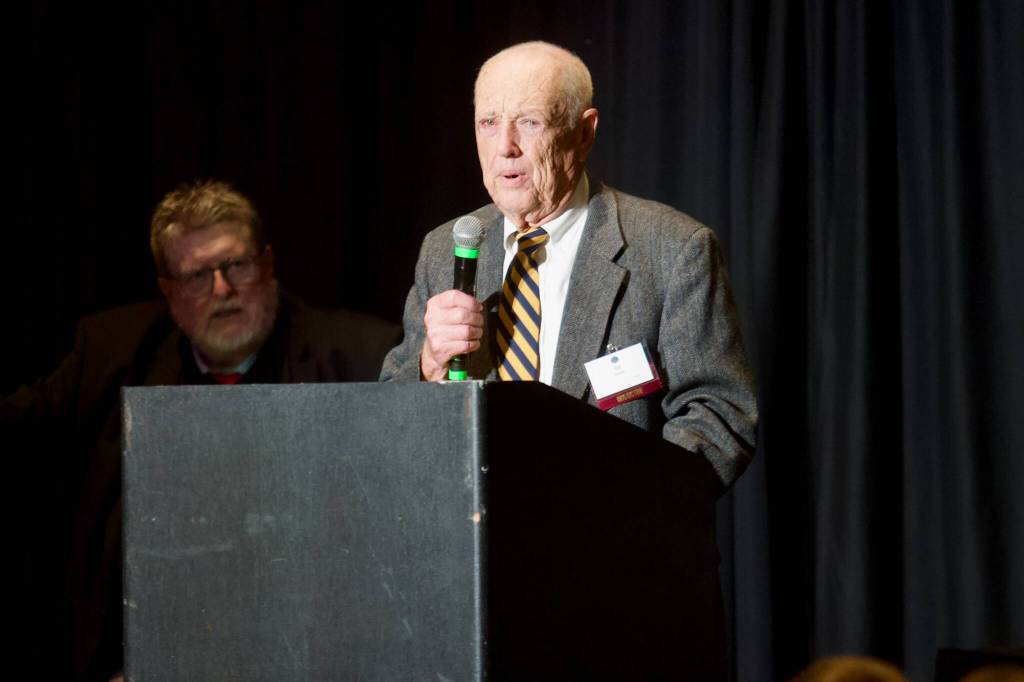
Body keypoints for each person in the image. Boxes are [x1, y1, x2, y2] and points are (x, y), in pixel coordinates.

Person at [3, 179, 402, 681]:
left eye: (235, 265)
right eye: (196, 275)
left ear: (268, 264)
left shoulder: (363, 356)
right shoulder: (111, 352)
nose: (221, 290)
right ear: (169, 292)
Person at [380, 41, 757, 488]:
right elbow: (387, 417)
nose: (506, 146)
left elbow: (717, 414)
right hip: (472, 547)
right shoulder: (445, 250)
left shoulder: (673, 249)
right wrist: (428, 366)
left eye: (529, 122)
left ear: (584, 132)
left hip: (612, 547)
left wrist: (612, 514)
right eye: (488, 122)